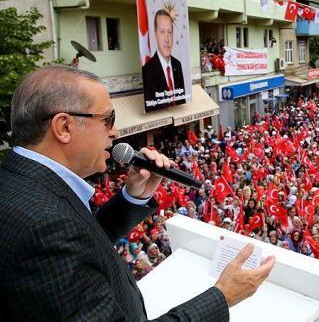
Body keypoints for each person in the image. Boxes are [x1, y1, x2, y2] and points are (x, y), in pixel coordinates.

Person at [0, 65, 275, 321]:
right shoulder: (44, 227)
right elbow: (62, 238)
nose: (115, 132)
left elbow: (82, 240)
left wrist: (133, 195)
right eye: (108, 119)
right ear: (64, 127)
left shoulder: (22, 184)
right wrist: (223, 297)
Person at [143, 9, 186, 112]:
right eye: (162, 32)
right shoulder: (147, 70)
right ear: (156, 34)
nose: (167, 39)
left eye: (169, 32)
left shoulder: (177, 65)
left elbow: (182, 99)